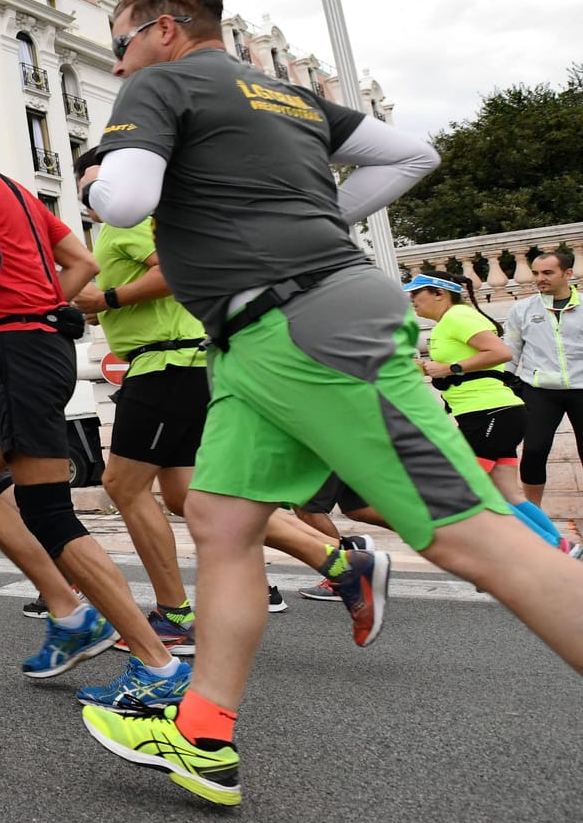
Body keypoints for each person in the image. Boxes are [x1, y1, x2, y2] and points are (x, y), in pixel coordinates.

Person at [78, 0, 583, 806]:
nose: (119, 58)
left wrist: (99, 187)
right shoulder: (281, 94)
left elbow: (128, 196)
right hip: (248, 341)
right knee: (220, 516)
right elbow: (414, 155)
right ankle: (202, 732)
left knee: (476, 541)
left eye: (121, 42)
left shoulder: (161, 82)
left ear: (164, 31)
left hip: (307, 323)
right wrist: (322, 210)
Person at [0, 96, 185, 699]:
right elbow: (83, 261)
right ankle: (68, 613)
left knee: (49, 513)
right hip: (39, 351)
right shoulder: (17, 191)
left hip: (18, 355)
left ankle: (158, 664)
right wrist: (45, 307)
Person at [71, 177, 392, 670]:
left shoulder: (124, 222)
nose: (91, 198)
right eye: (85, 190)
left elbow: (177, 273)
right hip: (188, 365)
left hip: (166, 368)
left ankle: (174, 615)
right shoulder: (151, 224)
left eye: (97, 186)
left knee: (122, 485)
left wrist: (107, 300)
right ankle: (341, 562)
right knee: (192, 499)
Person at [405, 274, 566, 547]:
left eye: (416, 294)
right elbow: (473, 364)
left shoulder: (458, 317)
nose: (412, 301)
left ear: (439, 294)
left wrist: (448, 368)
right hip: (494, 413)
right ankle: (560, 546)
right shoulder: (450, 321)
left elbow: (501, 353)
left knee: (466, 488)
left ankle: (548, 547)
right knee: (508, 494)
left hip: (489, 414)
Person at [504, 250, 583, 512]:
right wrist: (505, 384)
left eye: (548, 272)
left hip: (581, 389)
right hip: (539, 391)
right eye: (536, 273)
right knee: (534, 451)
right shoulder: (523, 309)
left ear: (567, 274)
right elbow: (510, 351)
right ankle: (535, 513)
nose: (540, 278)